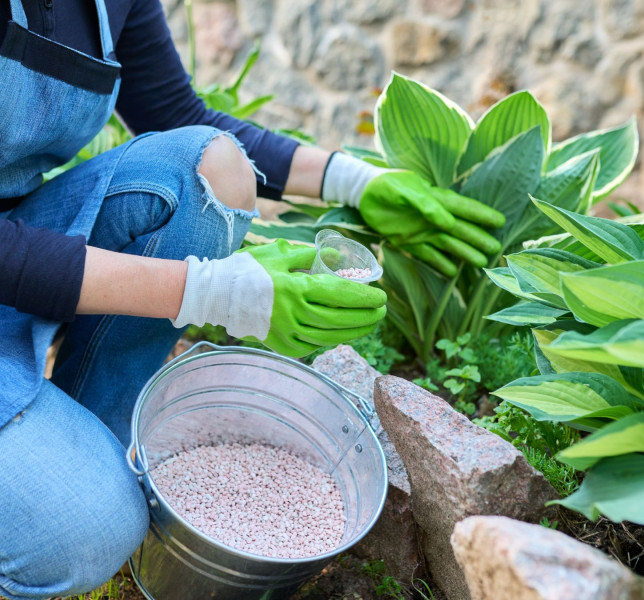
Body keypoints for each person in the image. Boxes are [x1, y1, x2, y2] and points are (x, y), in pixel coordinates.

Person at [0, 0, 505, 598]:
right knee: (86, 532)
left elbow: (174, 113)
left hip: (24, 251)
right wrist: (212, 291)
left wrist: (357, 181)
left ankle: (91, 442)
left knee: (207, 168)